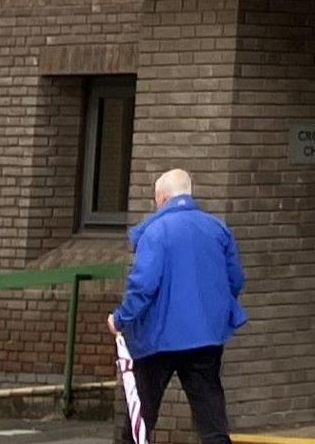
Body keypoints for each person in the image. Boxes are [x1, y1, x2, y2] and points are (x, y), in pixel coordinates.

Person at [110, 171, 244, 444]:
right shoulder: (217, 228)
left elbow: (143, 285)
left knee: (141, 418)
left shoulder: (156, 232)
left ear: (161, 199)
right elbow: (236, 279)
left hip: (157, 340)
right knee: (211, 419)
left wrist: (121, 318)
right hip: (205, 338)